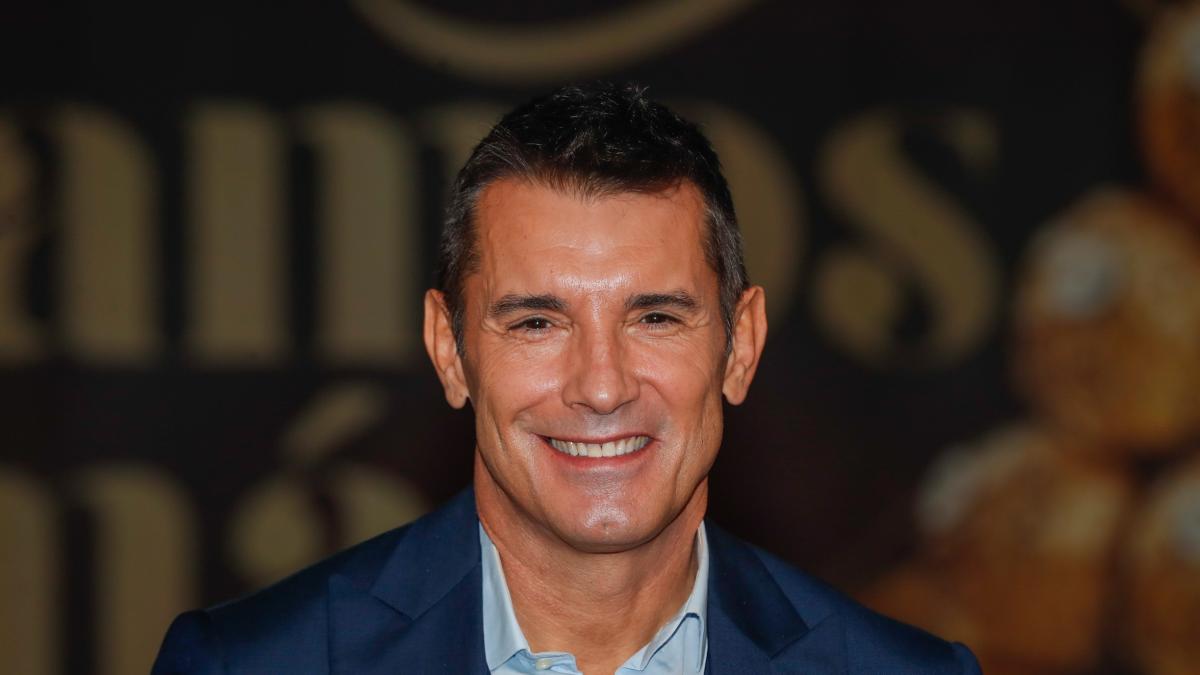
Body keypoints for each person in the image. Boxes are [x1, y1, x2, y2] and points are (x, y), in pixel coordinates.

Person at [152, 82, 981, 674]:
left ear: (740, 347)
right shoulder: (254, 663)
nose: (601, 385)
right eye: (537, 322)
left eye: (655, 317)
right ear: (449, 350)